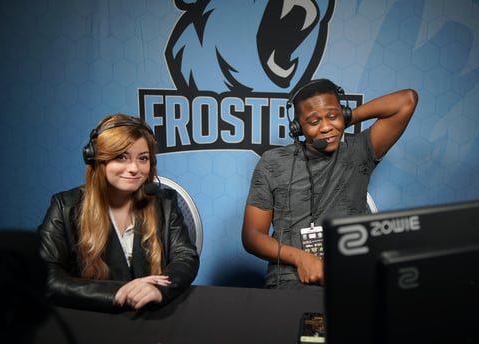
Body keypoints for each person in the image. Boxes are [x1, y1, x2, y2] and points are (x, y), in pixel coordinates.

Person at [242, 79, 417, 290]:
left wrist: (346, 119)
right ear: (297, 127)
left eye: (332, 117)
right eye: (314, 122)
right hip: (292, 278)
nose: (326, 127)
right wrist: (301, 259)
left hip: (351, 277)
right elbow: (252, 236)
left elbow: (406, 101)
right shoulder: (273, 162)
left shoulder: (359, 152)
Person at [38, 114, 199, 312]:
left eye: (143, 158)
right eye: (121, 157)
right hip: (94, 317)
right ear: (97, 159)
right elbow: (46, 276)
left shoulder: (164, 202)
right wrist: (118, 291)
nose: (134, 168)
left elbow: (185, 256)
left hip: (151, 316)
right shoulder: (64, 206)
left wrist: (158, 290)